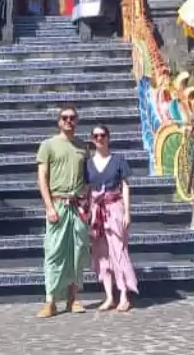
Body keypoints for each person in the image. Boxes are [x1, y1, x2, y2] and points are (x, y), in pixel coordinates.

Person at [36, 105, 90, 318]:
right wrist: (49, 206)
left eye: (72, 117)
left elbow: (87, 178)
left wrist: (87, 202)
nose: (69, 121)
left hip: (78, 205)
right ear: (59, 121)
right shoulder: (48, 145)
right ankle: (50, 300)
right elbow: (42, 178)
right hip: (58, 203)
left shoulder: (83, 147)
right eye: (64, 117)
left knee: (77, 251)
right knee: (54, 251)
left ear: (77, 121)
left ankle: (73, 298)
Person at [87, 124, 138, 312]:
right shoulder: (88, 164)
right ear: (92, 140)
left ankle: (124, 293)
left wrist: (127, 212)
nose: (99, 139)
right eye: (96, 136)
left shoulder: (118, 160)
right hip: (97, 212)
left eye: (102, 135)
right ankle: (109, 296)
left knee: (119, 250)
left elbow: (125, 186)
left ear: (108, 137)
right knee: (101, 254)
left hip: (115, 208)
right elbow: (87, 189)